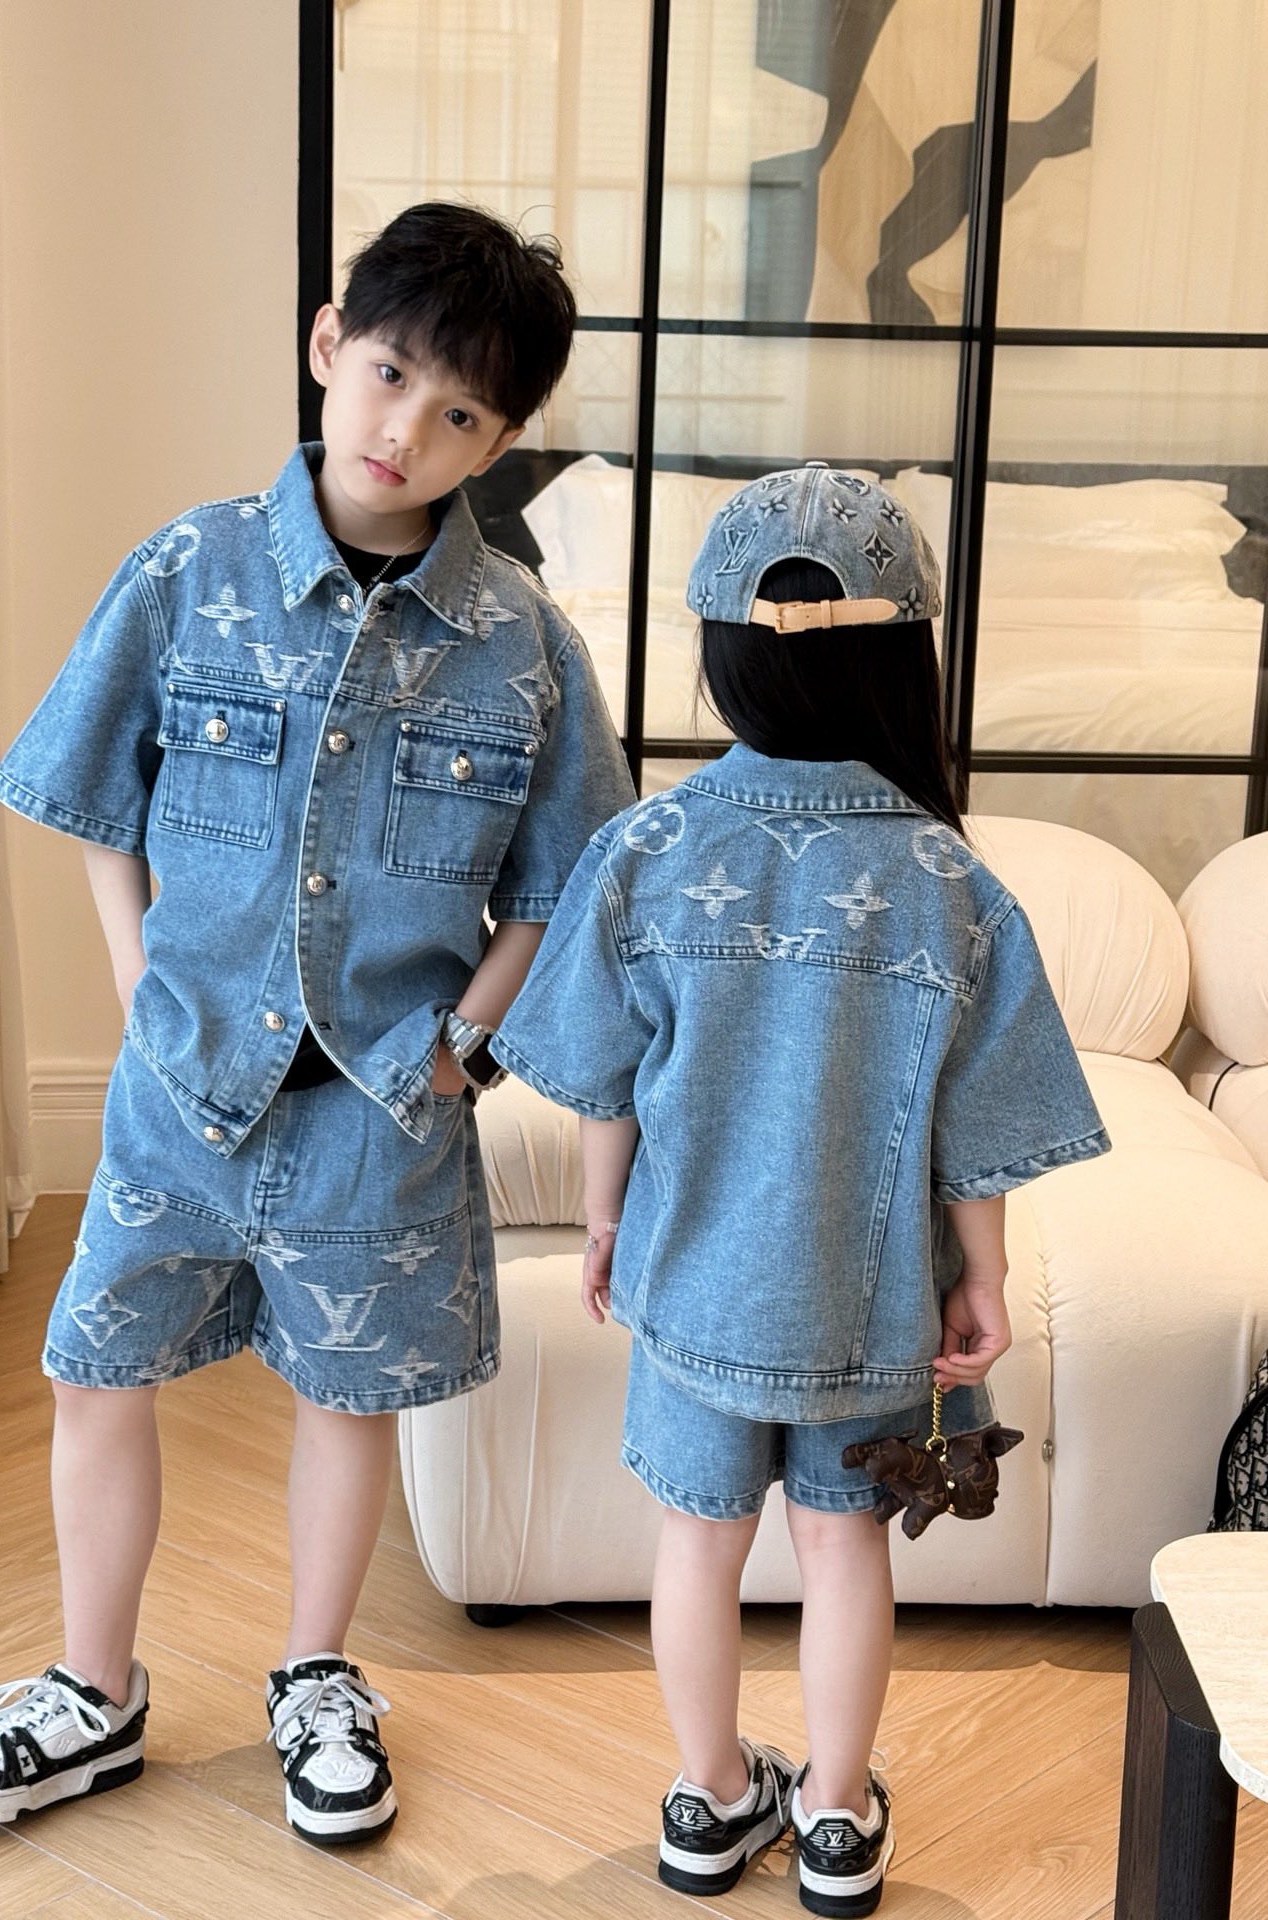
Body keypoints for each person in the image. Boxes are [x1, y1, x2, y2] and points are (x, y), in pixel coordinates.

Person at [0, 202, 635, 1845]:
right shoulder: (191, 571)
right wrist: (133, 973)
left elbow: (564, 880)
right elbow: (94, 791)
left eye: (461, 413)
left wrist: (467, 1039)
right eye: (388, 375)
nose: (406, 431)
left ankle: (315, 1675)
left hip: (380, 1106)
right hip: (182, 1089)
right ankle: (92, 1690)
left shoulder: (522, 645)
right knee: (95, 1372)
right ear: (327, 344)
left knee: (346, 1397)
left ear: (502, 441)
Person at [491, 464, 1111, 1915]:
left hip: (694, 1287)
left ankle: (710, 1800)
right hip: (869, 1306)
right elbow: (976, 1125)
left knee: (696, 1549)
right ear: (908, 662)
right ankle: (834, 1817)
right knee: (842, 1553)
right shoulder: (951, 881)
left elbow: (602, 1084)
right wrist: (982, 1277)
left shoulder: (645, 850)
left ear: (722, 654)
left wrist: (603, 1223)